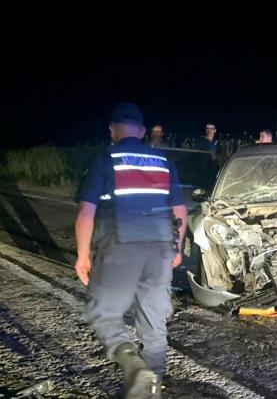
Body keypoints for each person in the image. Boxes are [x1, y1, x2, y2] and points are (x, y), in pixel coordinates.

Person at [74, 102, 187, 398]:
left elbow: (86, 213)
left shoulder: (106, 159)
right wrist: (177, 249)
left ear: (112, 130)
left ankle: (135, 369)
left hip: (121, 247)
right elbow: (180, 213)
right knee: (154, 322)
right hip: (161, 248)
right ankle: (152, 389)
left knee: (104, 312)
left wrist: (83, 256)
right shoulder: (164, 162)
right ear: (141, 131)